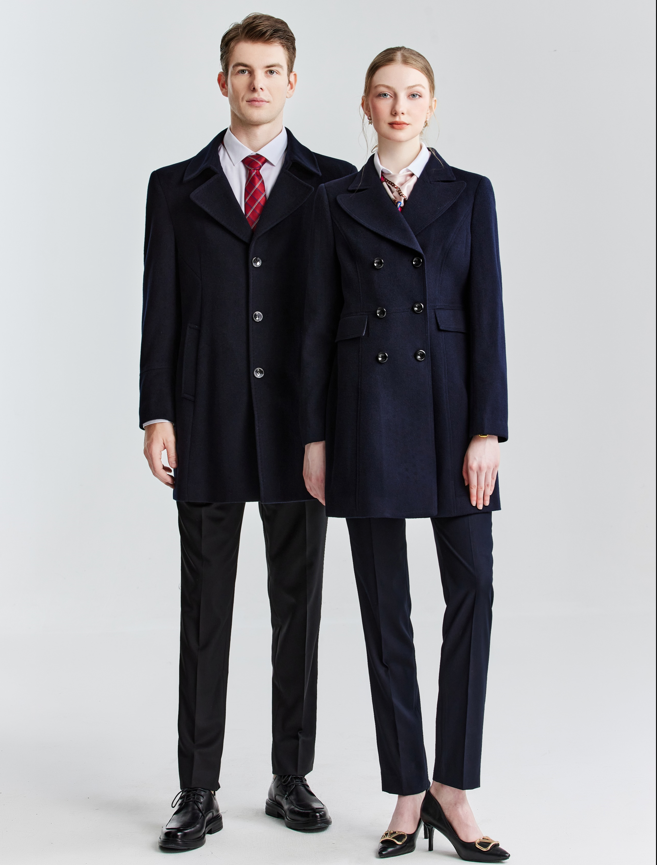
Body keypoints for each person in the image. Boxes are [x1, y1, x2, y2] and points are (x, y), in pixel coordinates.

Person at [139, 14, 356, 852]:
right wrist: (157, 411)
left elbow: (342, 314)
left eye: (270, 71)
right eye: (243, 70)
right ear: (222, 80)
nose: (256, 84)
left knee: (298, 607)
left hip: (303, 431)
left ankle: (289, 774)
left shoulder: (332, 185)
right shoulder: (175, 185)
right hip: (206, 423)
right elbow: (161, 305)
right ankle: (197, 789)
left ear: (292, 83)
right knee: (205, 612)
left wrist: (337, 423)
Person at [301, 47, 510, 861]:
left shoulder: (469, 192)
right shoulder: (333, 201)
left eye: (412, 94)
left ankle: (452, 786)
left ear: (431, 105)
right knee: (383, 609)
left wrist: (487, 429)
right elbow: (316, 325)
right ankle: (406, 788)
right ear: (364, 104)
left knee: (473, 591)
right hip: (365, 414)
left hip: (453, 413)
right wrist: (315, 438)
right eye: (384, 94)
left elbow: (486, 313)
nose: (397, 106)